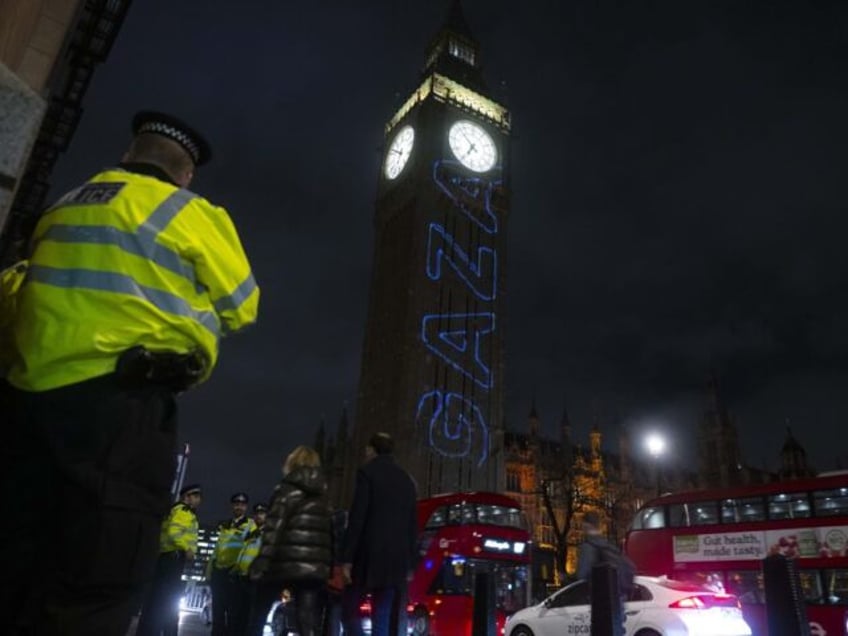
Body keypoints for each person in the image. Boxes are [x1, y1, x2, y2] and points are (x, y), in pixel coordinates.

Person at [0, 110, 259, 635]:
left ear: (126, 155)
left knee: (17, 574)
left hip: (26, 410)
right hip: (121, 413)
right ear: (186, 174)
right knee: (97, 584)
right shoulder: (191, 214)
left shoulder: (61, 208)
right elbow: (243, 304)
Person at [246, 446, 333, 636]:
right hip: (313, 569)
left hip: (283, 562)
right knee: (307, 621)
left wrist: (261, 562)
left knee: (258, 614)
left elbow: (274, 528)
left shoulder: (286, 489)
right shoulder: (324, 496)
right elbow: (328, 533)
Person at [342, 433, 418, 636]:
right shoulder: (407, 480)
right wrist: (411, 563)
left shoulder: (367, 473)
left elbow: (358, 517)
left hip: (368, 554)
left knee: (348, 610)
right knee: (381, 616)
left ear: (371, 450)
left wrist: (347, 559)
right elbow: (412, 525)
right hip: (395, 560)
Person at [137, 483, 203, 635]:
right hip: (173, 559)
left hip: (166, 559)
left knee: (157, 600)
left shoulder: (175, 510)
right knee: (167, 601)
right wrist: (187, 549)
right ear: (187, 497)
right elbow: (175, 532)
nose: (199, 500)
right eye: (196, 496)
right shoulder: (184, 512)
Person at [209, 492, 256, 635]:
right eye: (236, 504)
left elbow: (251, 548)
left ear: (246, 507)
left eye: (242, 505)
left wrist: (241, 569)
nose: (239, 507)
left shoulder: (250, 525)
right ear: (232, 506)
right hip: (219, 573)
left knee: (232, 615)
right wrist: (210, 569)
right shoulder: (225, 525)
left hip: (233, 574)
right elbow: (218, 548)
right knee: (217, 612)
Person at [576, 511, 626, 636]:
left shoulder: (588, 546)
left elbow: (582, 575)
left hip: (600, 604)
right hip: (617, 602)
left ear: (586, 525)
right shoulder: (609, 546)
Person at [230, 503, 269, 634]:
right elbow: (242, 549)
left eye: (262, 513)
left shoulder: (268, 534)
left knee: (253, 619)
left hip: (256, 580)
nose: (258, 516)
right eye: (256, 513)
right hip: (242, 577)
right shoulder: (251, 532)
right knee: (240, 616)